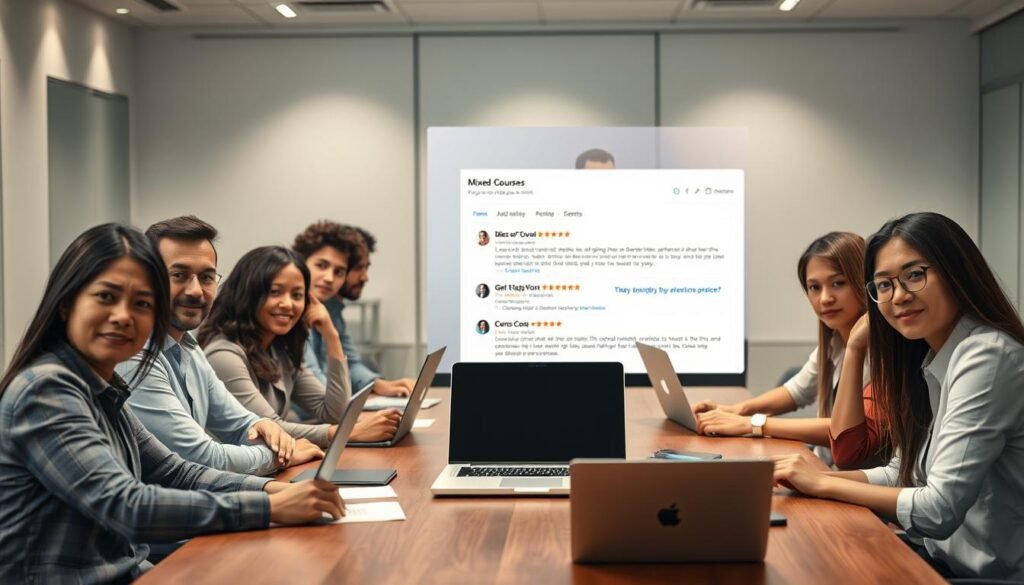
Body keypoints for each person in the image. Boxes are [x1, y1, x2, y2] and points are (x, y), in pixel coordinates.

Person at [0, 224, 344, 583]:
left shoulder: (103, 388)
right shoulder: (46, 389)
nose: (123, 316)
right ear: (67, 303)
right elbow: (127, 506)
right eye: (106, 297)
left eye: (142, 304)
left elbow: (177, 472)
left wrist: (276, 490)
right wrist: (269, 506)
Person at [773, 212, 1024, 580]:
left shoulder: (987, 355)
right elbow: (903, 473)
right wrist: (813, 477)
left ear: (956, 272)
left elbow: (938, 510)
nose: (900, 296)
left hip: (985, 575)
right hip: (937, 556)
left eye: (914, 275)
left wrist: (824, 482)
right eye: (885, 284)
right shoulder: (928, 355)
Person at [118, 216, 324, 476]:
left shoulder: (189, 348)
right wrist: (282, 455)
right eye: (179, 275)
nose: (195, 290)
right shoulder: (134, 356)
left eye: (206, 277)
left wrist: (262, 425)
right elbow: (201, 457)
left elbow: (242, 424)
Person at [693, 232, 882, 469]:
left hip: (853, 482)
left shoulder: (885, 355)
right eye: (814, 287)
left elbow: (846, 431)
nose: (825, 298)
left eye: (838, 283)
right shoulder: (834, 343)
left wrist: (751, 423)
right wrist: (732, 410)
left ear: (863, 281)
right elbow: (796, 391)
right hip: (825, 468)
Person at [199, 246, 393, 445]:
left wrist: (331, 335)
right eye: (275, 292)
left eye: (297, 295)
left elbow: (334, 412)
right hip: (238, 473)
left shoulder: (279, 349)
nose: (288, 304)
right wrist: (346, 433)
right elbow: (270, 428)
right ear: (249, 294)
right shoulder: (224, 356)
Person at [292, 221, 401, 439]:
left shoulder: (327, 306)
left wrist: (377, 385)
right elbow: (318, 386)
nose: (330, 278)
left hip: (317, 419)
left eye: (339, 271)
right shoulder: (291, 314)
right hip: (303, 420)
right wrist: (356, 421)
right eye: (321, 266)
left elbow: (348, 362)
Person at [318, 224, 416, 398]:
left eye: (366, 268)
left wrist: (378, 384)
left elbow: (351, 363)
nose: (365, 277)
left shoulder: (334, 309)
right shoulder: (304, 312)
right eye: (358, 268)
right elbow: (313, 382)